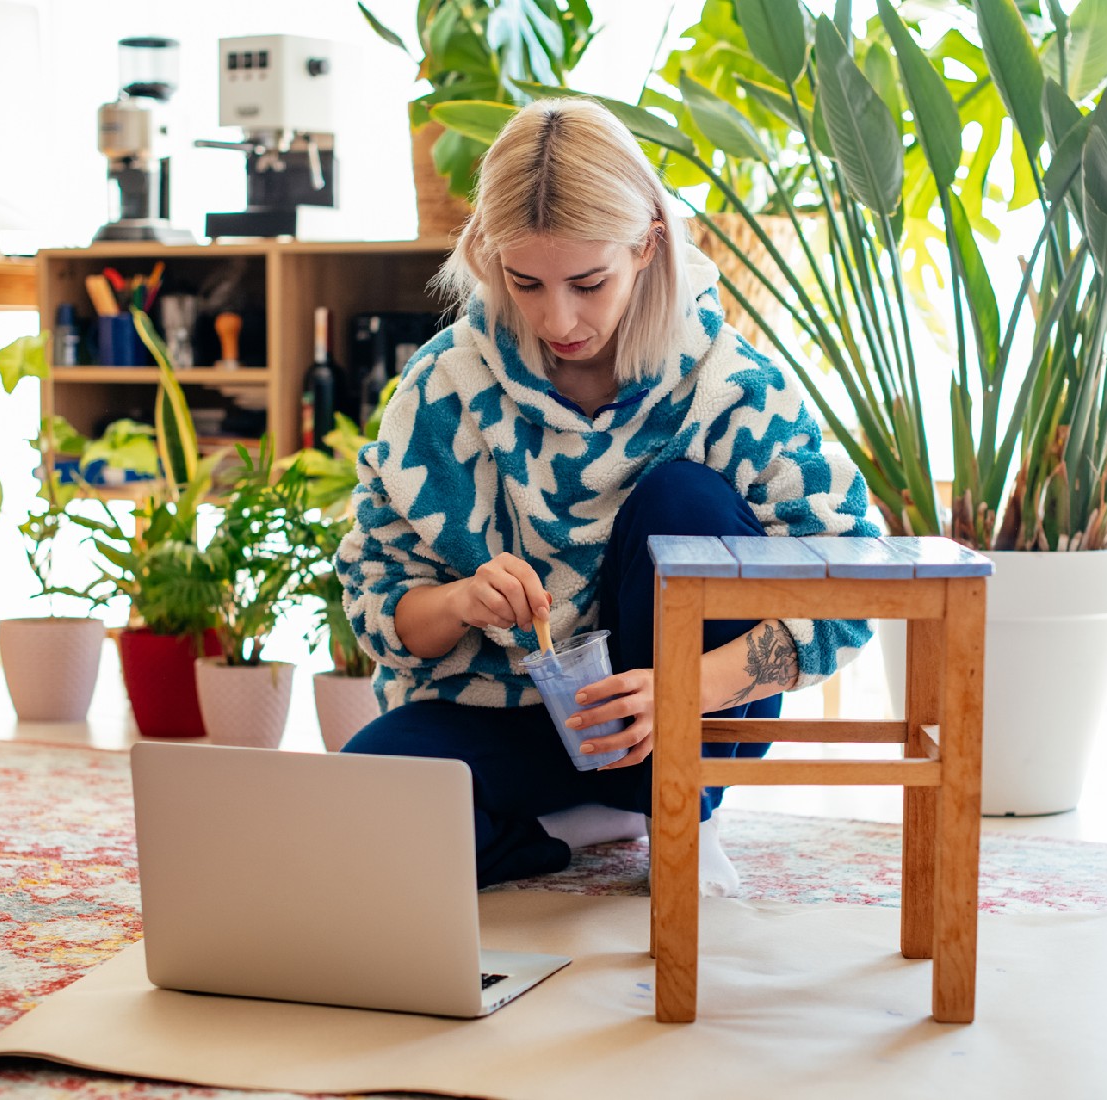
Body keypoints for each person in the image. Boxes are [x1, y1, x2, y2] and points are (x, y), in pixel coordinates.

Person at [336, 97, 878, 894]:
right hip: (511, 718)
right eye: (526, 283)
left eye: (589, 283)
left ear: (648, 246)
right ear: (487, 255)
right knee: (356, 798)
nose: (561, 320)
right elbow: (377, 603)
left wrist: (686, 691)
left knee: (685, 505)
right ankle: (574, 831)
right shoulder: (441, 388)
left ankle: (679, 810)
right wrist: (458, 601)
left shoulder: (731, 384)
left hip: (696, 717)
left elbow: (855, 581)